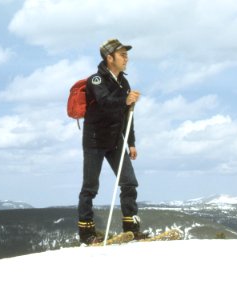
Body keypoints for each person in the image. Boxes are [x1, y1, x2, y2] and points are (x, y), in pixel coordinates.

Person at [77, 38, 145, 245]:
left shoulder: (124, 82)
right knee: (90, 186)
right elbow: (106, 103)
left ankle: (131, 228)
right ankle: (87, 233)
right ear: (109, 58)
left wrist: (131, 142)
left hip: (116, 141)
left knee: (129, 182)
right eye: (122, 54)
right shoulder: (96, 80)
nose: (126, 58)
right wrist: (125, 100)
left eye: (126, 54)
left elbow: (127, 115)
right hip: (95, 140)